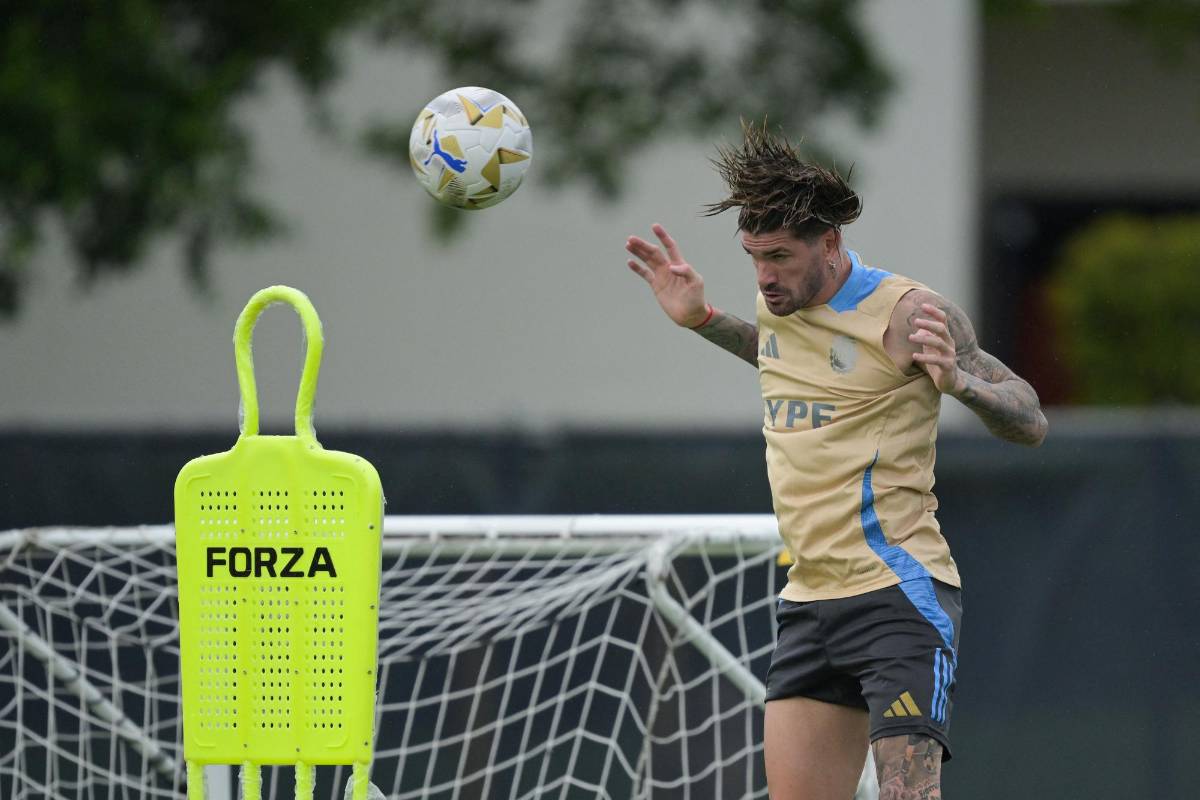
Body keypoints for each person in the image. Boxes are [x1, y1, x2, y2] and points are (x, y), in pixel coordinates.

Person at [624, 124, 1047, 800]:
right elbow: (784, 356)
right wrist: (704, 319)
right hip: (810, 602)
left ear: (830, 243)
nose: (765, 275)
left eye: (781, 257)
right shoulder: (778, 305)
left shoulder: (908, 313)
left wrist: (963, 386)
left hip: (897, 599)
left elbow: (1030, 417)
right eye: (754, 255)